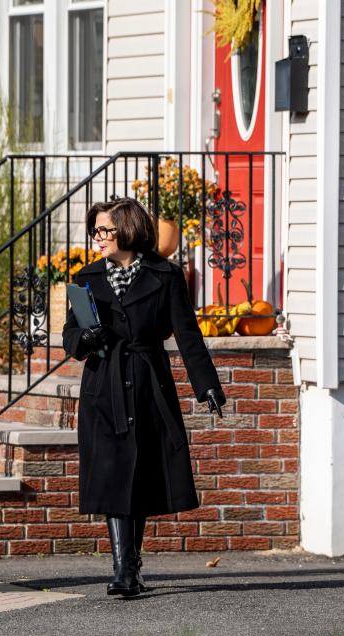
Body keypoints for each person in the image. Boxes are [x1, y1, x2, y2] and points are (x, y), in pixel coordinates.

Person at [62, 197, 227, 597]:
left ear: (128, 229)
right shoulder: (86, 278)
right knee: (115, 473)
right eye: (95, 231)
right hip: (104, 386)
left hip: (149, 382)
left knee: (139, 476)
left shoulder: (165, 275)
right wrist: (86, 337)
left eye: (105, 230)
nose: (98, 238)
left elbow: (187, 334)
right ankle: (123, 568)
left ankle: (131, 564)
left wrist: (206, 385)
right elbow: (71, 338)